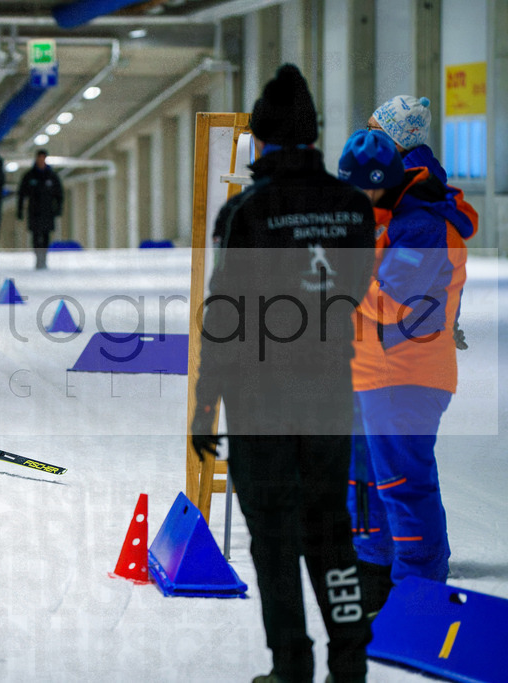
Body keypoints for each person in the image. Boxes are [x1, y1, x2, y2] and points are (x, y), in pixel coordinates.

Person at [190, 64, 375, 683]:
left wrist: (204, 406)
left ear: (261, 142)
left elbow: (225, 314)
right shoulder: (353, 208)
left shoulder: (249, 212)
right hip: (328, 392)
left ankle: (290, 666)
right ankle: (350, 663)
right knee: (331, 530)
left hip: (260, 398)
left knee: (273, 538)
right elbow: (353, 292)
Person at [337, 129, 476, 614]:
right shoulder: (388, 219)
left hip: (408, 377)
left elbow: (395, 304)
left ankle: (421, 593)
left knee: (402, 484)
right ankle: (375, 576)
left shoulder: (423, 229)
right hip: (372, 372)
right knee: (368, 481)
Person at [368, 95, 477, 349]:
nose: (365, 138)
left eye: (372, 130)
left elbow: (403, 283)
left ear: (394, 140)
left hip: (404, 343)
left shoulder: (408, 194)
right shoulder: (420, 186)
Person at [16, 149, 63, 270]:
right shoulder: (29, 176)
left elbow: (59, 194)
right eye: (39, 158)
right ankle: (38, 258)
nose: (41, 160)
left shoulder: (52, 176)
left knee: (46, 236)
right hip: (34, 212)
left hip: (48, 212)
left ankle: (44, 257)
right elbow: (21, 194)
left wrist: (58, 209)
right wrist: (20, 210)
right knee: (36, 236)